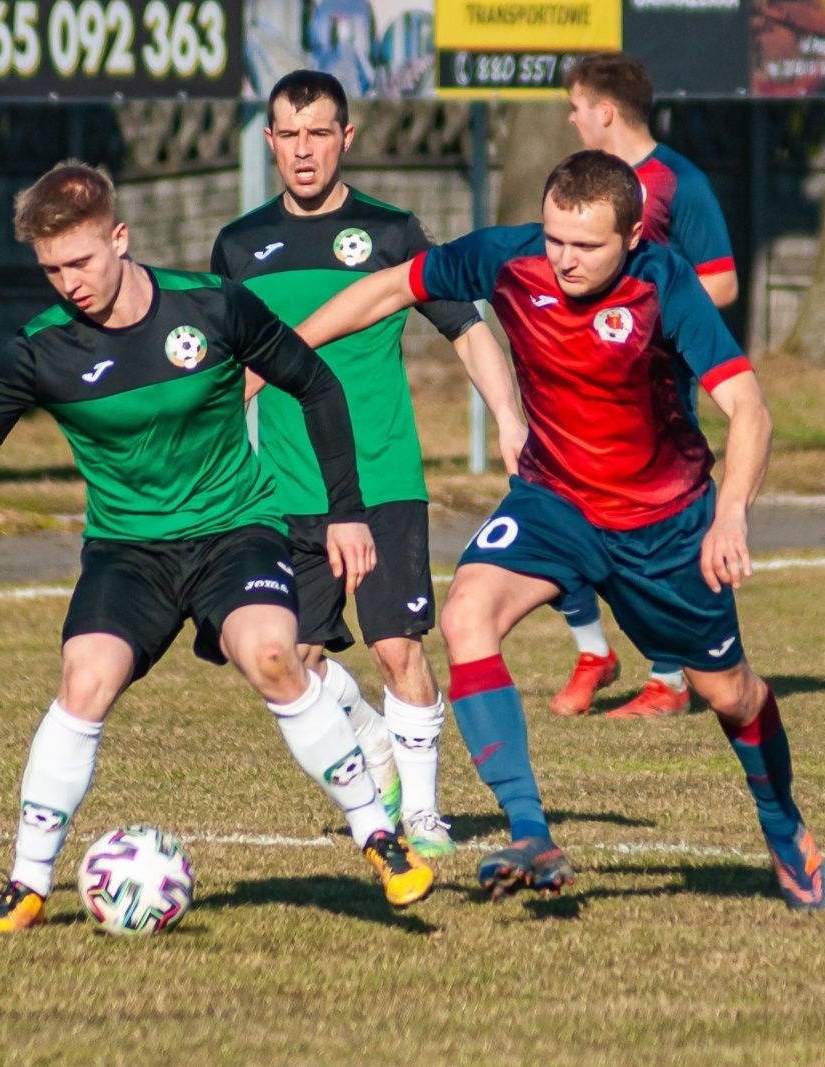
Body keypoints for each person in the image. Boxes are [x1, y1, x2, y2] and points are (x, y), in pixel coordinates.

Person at [0, 162, 436, 932]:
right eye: (52, 269)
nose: (69, 282)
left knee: (272, 655)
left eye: (81, 261)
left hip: (237, 529)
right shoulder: (42, 350)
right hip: (129, 552)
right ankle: (27, 884)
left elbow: (316, 385)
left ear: (120, 238)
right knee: (84, 676)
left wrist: (346, 511)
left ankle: (380, 836)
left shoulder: (213, 308)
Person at [294, 150, 825, 910]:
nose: (565, 260)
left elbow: (750, 408)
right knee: (466, 614)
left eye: (587, 245)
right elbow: (387, 288)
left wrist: (733, 511)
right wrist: (275, 357)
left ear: (634, 232)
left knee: (730, 693)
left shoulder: (665, 282)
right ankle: (530, 831)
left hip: (664, 522)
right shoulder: (508, 259)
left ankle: (783, 826)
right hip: (555, 501)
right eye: (555, 240)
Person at [210, 70, 524, 857]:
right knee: (290, 662)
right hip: (281, 488)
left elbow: (468, 328)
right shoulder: (239, 246)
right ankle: (377, 744)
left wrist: (513, 422)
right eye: (290, 134)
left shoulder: (391, 233)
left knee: (396, 647)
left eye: (320, 133)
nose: (305, 150)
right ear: (270, 141)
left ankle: (421, 813)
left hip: (381, 478)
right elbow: (220, 370)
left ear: (346, 139)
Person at [549, 51, 743, 719]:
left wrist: (653, 312)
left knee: (637, 519)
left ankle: (669, 675)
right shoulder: (581, 190)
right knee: (550, 506)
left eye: (576, 106)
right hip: (575, 379)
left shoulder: (678, 183)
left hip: (650, 390)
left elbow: (721, 282)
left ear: (604, 110)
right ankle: (594, 648)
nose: (571, 118)